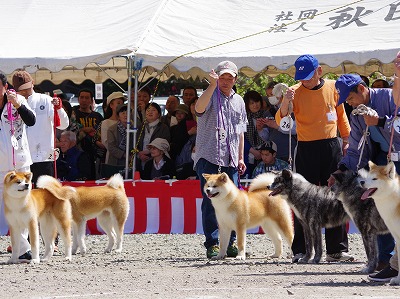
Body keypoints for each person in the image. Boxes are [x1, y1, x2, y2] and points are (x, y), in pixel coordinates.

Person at [275, 54, 353, 263]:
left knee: (335, 196)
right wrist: (286, 102)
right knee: (301, 199)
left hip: (331, 146)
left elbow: (341, 114)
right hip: (305, 148)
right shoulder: (294, 92)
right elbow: (281, 119)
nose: (304, 81)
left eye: (308, 76)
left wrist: (346, 138)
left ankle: (336, 250)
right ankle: (301, 249)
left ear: (319, 71)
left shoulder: (333, 87)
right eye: (301, 77)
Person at [331, 52, 400, 282]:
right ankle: (386, 259)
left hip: (396, 158)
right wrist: (342, 168)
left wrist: (380, 121)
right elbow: (355, 148)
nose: (349, 104)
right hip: (381, 160)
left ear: (361, 90)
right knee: (380, 206)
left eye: (350, 99)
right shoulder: (356, 114)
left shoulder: (390, 97)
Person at [194, 60, 247, 259]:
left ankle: (231, 243)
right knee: (210, 201)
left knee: (233, 202)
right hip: (209, 155)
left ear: (235, 79)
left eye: (229, 77)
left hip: (231, 157)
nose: (225, 81)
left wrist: (241, 157)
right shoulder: (210, 94)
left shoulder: (239, 101)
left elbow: (241, 131)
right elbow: (198, 109)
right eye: (222, 77)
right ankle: (212, 243)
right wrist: (211, 85)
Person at [0, 71, 36, 261]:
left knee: (19, 206)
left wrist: (17, 104)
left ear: (6, 87)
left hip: (19, 164)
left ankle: (23, 249)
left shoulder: (19, 101)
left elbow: (31, 120)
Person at [12, 71, 69, 184]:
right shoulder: (12, 103)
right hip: (21, 160)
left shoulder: (46, 100)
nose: (23, 91)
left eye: (26, 88)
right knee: (24, 195)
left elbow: (63, 124)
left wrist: (59, 109)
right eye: (20, 89)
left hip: (43, 158)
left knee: (44, 195)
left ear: (32, 83)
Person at [260, 83, 297, 164]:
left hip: (289, 153)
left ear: (280, 93)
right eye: (268, 95)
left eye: (272, 94)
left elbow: (297, 129)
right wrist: (260, 129)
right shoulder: (268, 113)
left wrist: (277, 126)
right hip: (274, 156)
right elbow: (266, 137)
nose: (270, 97)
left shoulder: (292, 109)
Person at [73, 89, 103, 179]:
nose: (84, 100)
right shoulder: (74, 114)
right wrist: (83, 129)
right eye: (82, 97)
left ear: (91, 100)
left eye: (87, 98)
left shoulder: (97, 116)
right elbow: (70, 130)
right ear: (78, 99)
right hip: (78, 151)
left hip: (95, 153)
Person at [136, 102, 170, 171]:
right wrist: (139, 154)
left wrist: (148, 152)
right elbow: (135, 143)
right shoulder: (140, 127)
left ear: (159, 114)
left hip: (157, 161)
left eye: (153, 110)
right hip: (140, 160)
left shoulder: (163, 127)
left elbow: (164, 144)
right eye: (148, 110)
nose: (150, 112)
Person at [242, 90, 268, 177]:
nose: (255, 105)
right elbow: (241, 137)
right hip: (249, 155)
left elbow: (270, 136)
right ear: (247, 105)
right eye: (251, 103)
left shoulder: (266, 115)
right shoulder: (243, 117)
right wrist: (253, 151)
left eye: (257, 102)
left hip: (266, 154)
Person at [99, 92, 125, 165]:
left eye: (122, 103)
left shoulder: (128, 122)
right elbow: (106, 143)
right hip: (112, 159)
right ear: (111, 105)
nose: (121, 105)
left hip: (127, 159)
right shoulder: (106, 123)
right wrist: (122, 154)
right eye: (118, 103)